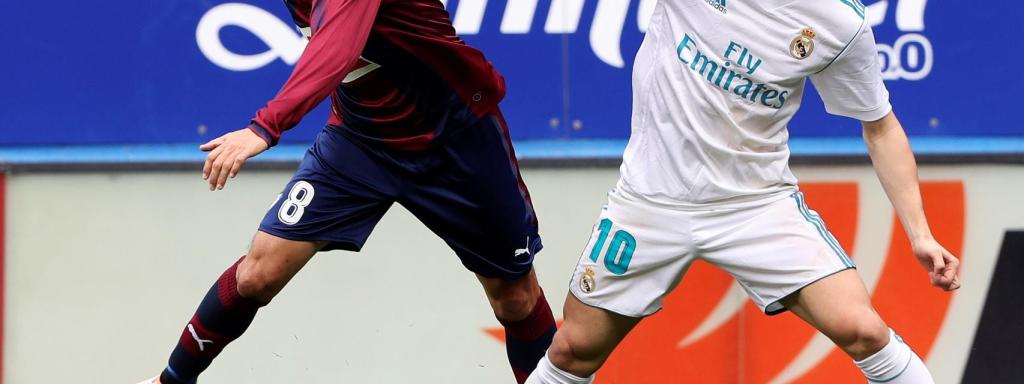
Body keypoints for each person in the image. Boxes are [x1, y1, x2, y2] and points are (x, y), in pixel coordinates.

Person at [526, 1, 960, 383]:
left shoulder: (841, 22)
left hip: (757, 206)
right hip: (649, 203)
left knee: (864, 330)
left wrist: (920, 234)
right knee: (572, 351)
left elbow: (881, 128)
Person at [140, 1, 557, 383]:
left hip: (455, 139)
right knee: (257, 273)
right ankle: (170, 381)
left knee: (515, 300)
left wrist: (265, 127)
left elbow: (336, 50)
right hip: (361, 140)